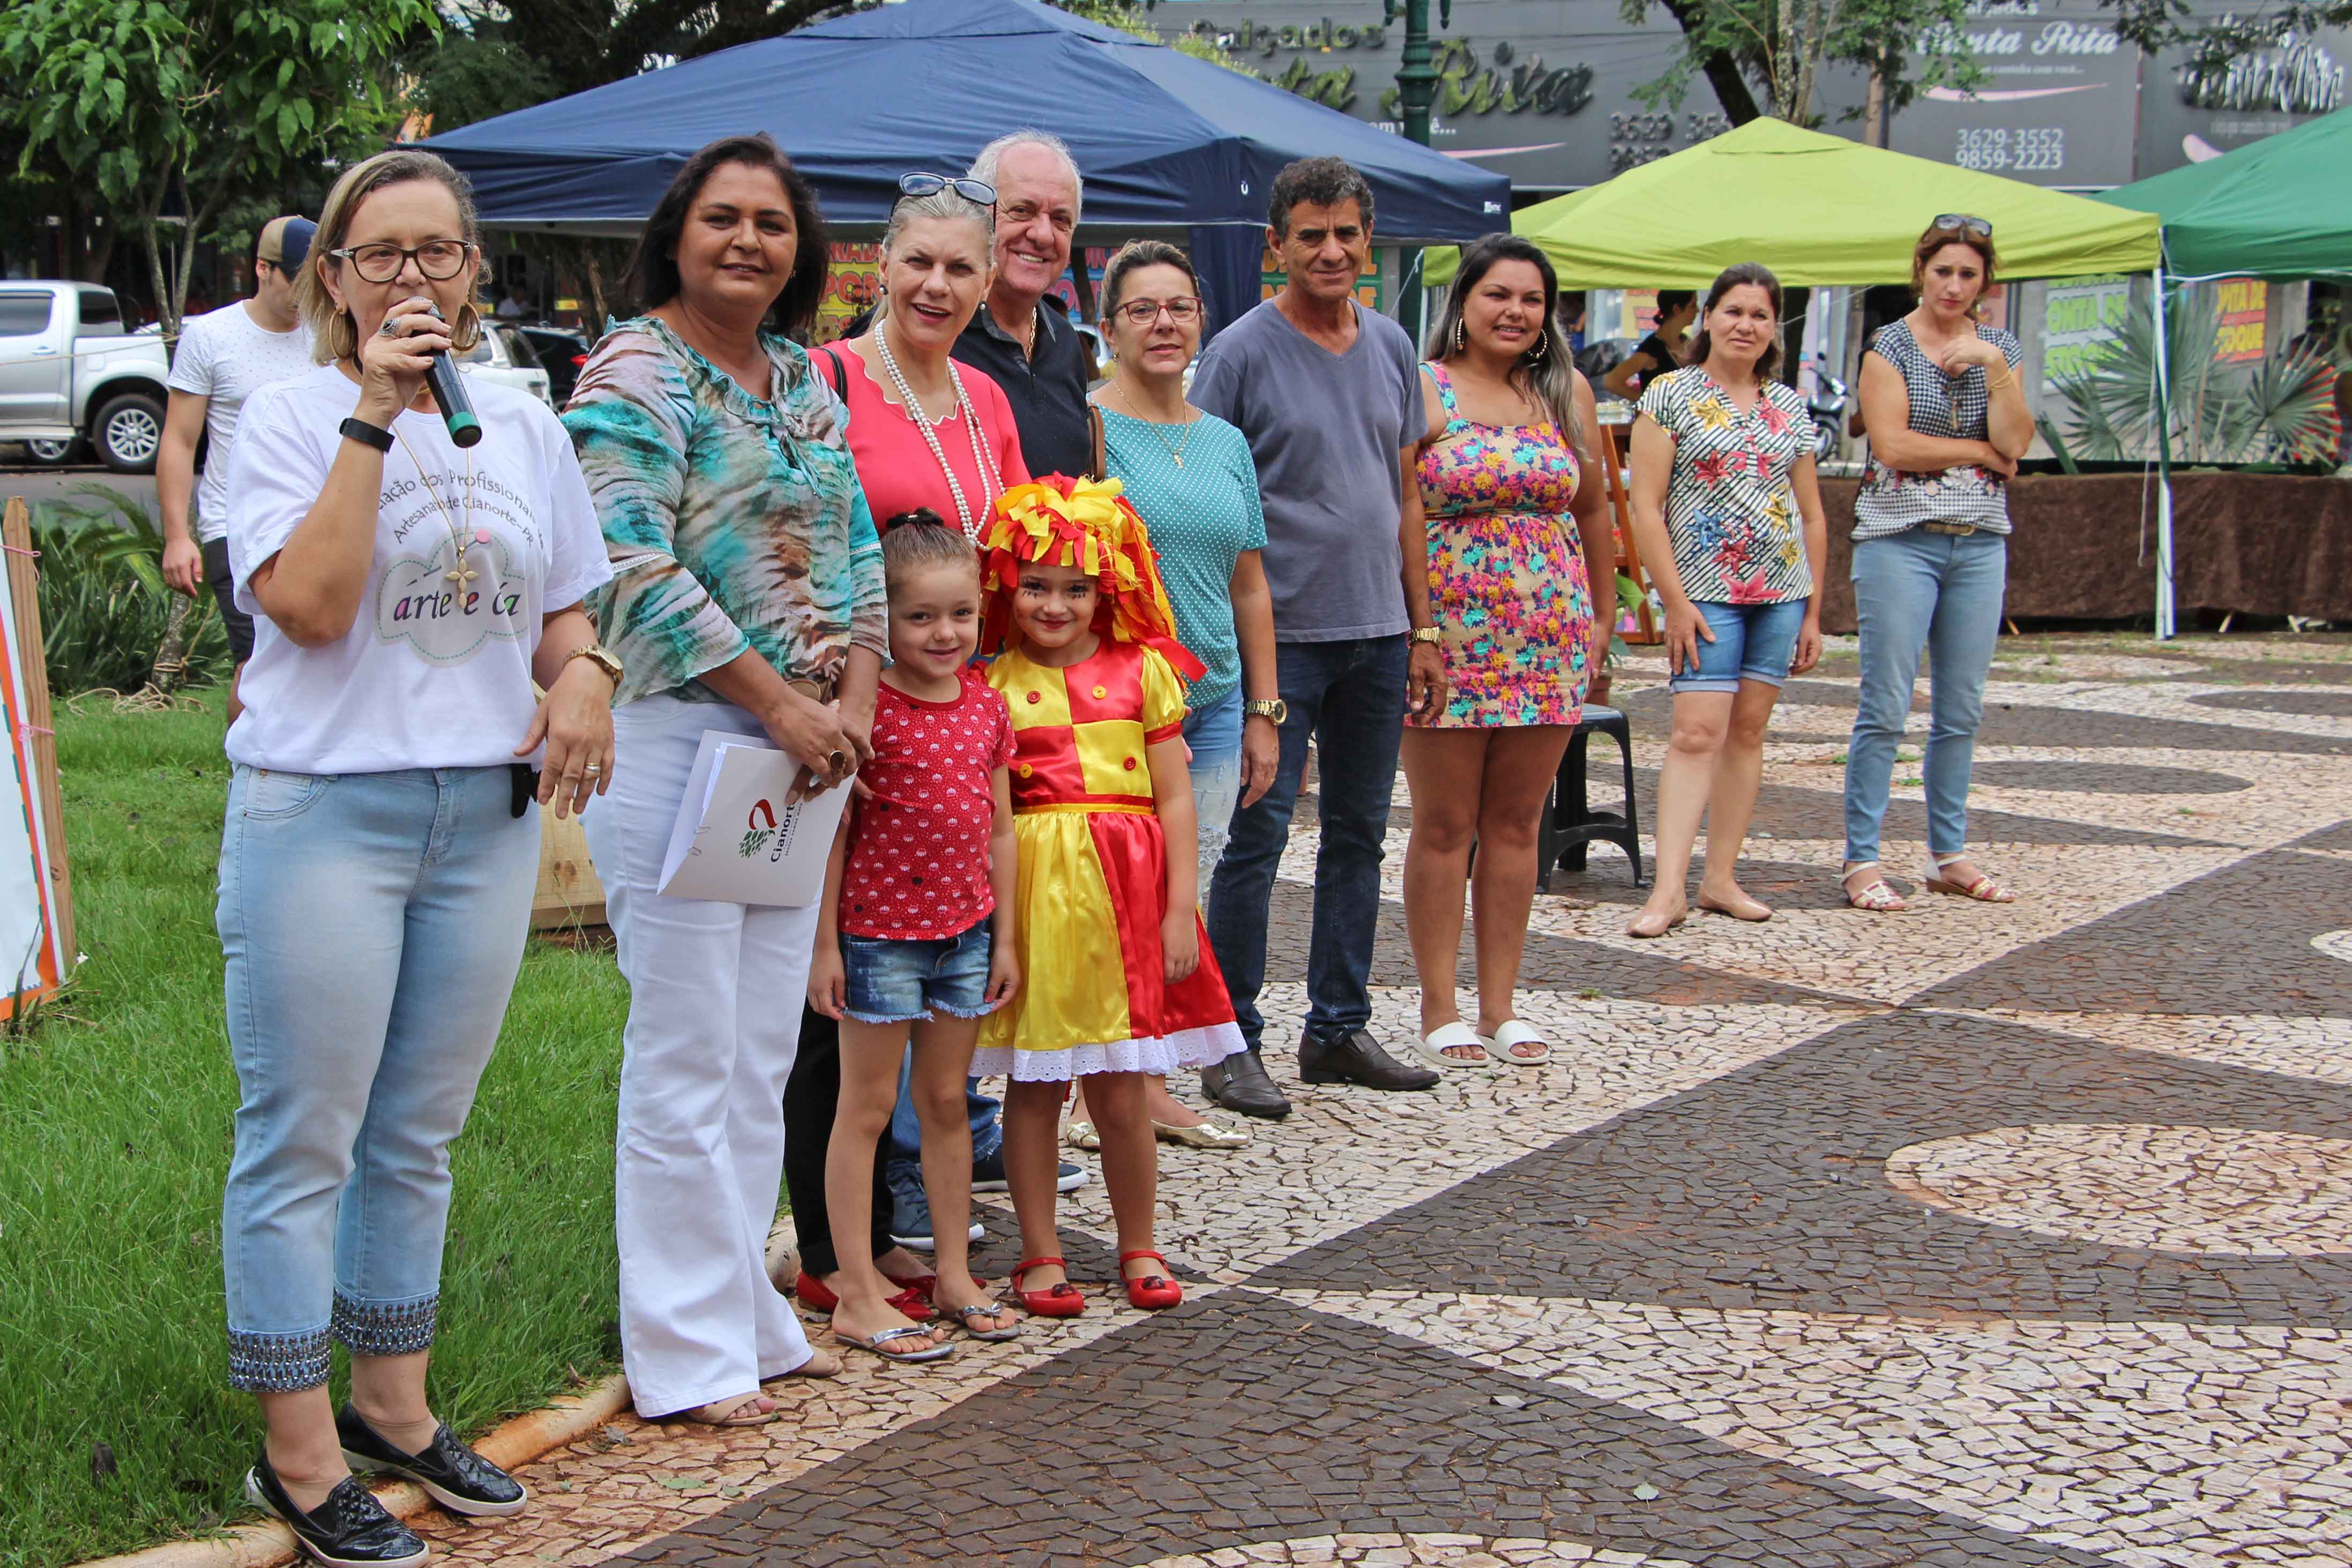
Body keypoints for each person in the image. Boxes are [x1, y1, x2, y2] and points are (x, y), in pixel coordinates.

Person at [216, 149, 616, 1564]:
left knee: (419, 1130)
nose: (411, 278)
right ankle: (298, 1447)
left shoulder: (520, 420)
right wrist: (374, 418)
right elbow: (312, 612)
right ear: (332, 277)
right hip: (325, 814)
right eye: (379, 255)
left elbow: (564, 607)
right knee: (303, 1134)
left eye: (436, 252)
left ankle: (394, 1401)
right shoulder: (281, 419)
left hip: (482, 819)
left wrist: (585, 677)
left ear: (472, 269)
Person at [565, 133, 878, 1427]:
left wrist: (849, 707)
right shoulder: (632, 371)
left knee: (758, 1054)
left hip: (796, 759)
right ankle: (682, 1353)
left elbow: (856, 537)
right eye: (723, 219)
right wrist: (784, 707)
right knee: (686, 1054)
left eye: (772, 222)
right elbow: (629, 561)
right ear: (677, 235)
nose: (748, 241)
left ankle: (744, 1310)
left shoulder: (806, 377)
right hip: (688, 741)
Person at [790, 174, 1072, 1297]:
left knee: (936, 978)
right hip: (846, 701)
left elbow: (1005, 553)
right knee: (840, 995)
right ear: (881, 264)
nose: (940, 286)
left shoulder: (982, 397)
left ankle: (900, 1225)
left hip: (957, 704)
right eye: (921, 263)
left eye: (963, 268)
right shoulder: (827, 380)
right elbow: (803, 536)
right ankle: (826, 1248)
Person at [1189, 156, 1446, 1117]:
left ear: (1367, 242)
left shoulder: (1389, 345)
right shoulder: (1240, 352)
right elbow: (1207, 486)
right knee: (1251, 842)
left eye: (1345, 233)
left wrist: (1421, 624)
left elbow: (1407, 494)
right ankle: (1231, 1040)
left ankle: (1336, 1026)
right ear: (1275, 247)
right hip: (1280, 639)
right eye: (1310, 235)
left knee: (1356, 839)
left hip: (1377, 633)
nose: (1330, 250)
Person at [974, 476, 1246, 1317]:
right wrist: (1003, 937)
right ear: (1008, 585)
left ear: (1111, 587)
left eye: (1077, 587)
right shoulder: (992, 686)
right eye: (1037, 586)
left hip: (1131, 897)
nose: (1055, 605)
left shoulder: (1145, 674)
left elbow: (1173, 798)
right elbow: (995, 821)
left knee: (1124, 1087)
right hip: (1038, 904)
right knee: (1034, 1085)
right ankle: (1042, 1251)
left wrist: (1176, 909)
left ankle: (1140, 1242)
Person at [1064, 240, 1278, 1153]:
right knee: (1112, 888)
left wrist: (1266, 708)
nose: (1162, 324)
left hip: (1219, 695)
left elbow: (1249, 585)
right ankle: (1088, 1084)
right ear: (1107, 326)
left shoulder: (1223, 438)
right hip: (1121, 699)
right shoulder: (1087, 430)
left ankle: (1145, 1080)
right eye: (1141, 308)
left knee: (1184, 888)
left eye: (1178, 307)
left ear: (1201, 320)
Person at [807, 517, 1022, 1359]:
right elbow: (830, 835)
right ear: (884, 623)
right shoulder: (869, 712)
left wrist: (1003, 936)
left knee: (945, 1104)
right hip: (876, 938)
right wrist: (824, 947)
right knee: (862, 1109)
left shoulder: (987, 705)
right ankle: (856, 1286)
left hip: (964, 933)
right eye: (922, 618)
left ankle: (957, 1271)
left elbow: (999, 827)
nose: (946, 634)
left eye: (962, 615)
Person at [1401, 234, 1616, 1067]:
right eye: (1498, 294)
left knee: (1519, 822)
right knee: (1446, 823)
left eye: (1531, 299)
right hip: (1449, 636)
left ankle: (1501, 1002)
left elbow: (1594, 508)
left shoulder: (1564, 393)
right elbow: (1403, 509)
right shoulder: (1424, 388)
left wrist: (1601, 617)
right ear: (1464, 301)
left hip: (1548, 637)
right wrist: (1416, 625)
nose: (1515, 311)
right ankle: (1438, 1003)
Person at [1622, 263, 1828, 938]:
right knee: (1694, 734)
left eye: (1760, 315)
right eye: (1733, 311)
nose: (1746, 325)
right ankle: (1669, 888)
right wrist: (1672, 601)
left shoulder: (1787, 405)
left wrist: (1814, 610)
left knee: (1748, 733)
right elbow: (1644, 506)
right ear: (1707, 317)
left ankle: (1721, 878)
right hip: (1705, 594)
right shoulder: (1670, 394)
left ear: (1775, 329)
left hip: (1780, 592)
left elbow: (1813, 514)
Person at [1842, 216, 2030, 913]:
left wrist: (1992, 368)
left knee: (1961, 708)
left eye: (1968, 274)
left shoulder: (1998, 348)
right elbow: (1893, 446)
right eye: (1943, 270)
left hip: (1978, 540)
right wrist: (1980, 454)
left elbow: (2017, 438)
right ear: (1921, 270)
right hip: (1899, 538)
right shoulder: (1887, 347)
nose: (1953, 285)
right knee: (1885, 705)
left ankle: (1946, 852)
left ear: (1986, 283)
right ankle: (1861, 858)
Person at [160, 215, 319, 723]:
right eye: (294, 278)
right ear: (262, 269)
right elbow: (180, 441)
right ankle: (244, 786)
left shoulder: (330, 334)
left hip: (317, 523)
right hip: (237, 526)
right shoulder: (211, 336)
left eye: (314, 278)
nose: (304, 291)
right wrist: (176, 537)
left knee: (318, 660)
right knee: (256, 662)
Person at [952, 131, 1095, 478]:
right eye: (1021, 210)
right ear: (977, 213)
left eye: (1060, 219)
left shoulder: (1064, 341)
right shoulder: (933, 327)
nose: (1043, 234)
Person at [1602, 288, 1696, 402]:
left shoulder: (1687, 342)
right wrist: (1646, 402)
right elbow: (1611, 381)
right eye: (1693, 305)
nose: (1698, 310)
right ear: (1677, 309)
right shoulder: (1652, 349)